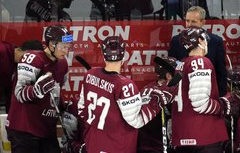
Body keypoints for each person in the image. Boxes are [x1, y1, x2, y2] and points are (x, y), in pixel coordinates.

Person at [78, 36, 177, 152]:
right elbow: (137, 121)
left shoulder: (90, 75)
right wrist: (157, 101)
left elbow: (81, 110)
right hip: (117, 147)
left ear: (103, 55)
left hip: (93, 145)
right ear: (124, 56)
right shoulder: (125, 85)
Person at [5, 25, 72, 153]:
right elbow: (19, 94)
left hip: (46, 129)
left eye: (68, 47)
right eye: (63, 47)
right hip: (24, 130)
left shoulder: (63, 64)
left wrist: (66, 108)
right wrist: (36, 90)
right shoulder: (32, 59)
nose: (66, 51)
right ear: (51, 45)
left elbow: (55, 93)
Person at [172, 27, 233, 151]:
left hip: (182, 134)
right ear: (200, 41)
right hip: (203, 135)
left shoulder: (180, 64)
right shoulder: (200, 62)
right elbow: (200, 103)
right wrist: (223, 106)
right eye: (206, 40)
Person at [168, 6, 227, 96]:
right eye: (187, 21)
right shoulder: (176, 41)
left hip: (208, 93)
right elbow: (171, 69)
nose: (189, 24)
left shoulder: (215, 41)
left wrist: (222, 98)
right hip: (183, 93)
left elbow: (221, 73)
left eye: (193, 21)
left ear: (203, 22)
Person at [137, 56, 178, 153]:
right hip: (160, 146)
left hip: (143, 145)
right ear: (168, 76)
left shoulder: (145, 89)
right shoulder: (172, 90)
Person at [0, 39, 43, 113]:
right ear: (19, 50)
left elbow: (10, 93)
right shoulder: (2, 50)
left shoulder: (21, 67)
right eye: (28, 57)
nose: (29, 62)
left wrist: (10, 115)